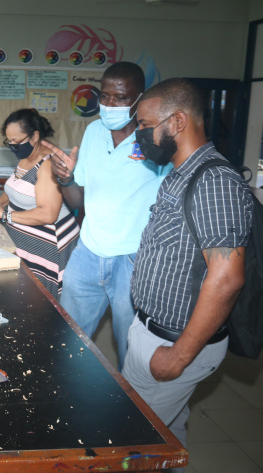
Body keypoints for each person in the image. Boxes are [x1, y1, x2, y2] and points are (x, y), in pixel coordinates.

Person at [124, 78, 253, 468]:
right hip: (149, 333)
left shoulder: (214, 183)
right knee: (169, 432)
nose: (140, 136)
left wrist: (179, 356)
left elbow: (227, 277)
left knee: (126, 440)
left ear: (177, 121)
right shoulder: (180, 174)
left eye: (145, 127)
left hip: (174, 345)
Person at [46, 62, 172, 370]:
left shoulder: (154, 138)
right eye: (104, 96)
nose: (109, 105)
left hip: (133, 260)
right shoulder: (93, 131)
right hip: (88, 253)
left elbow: (171, 204)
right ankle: (66, 400)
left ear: (139, 99)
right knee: (69, 337)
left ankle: (133, 413)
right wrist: (65, 179)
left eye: (120, 98)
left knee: (132, 348)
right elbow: (79, 199)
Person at [0, 109, 79, 299]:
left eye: (16, 141)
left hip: (47, 244)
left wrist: (4, 215)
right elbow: (14, 188)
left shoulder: (47, 164)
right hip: (25, 238)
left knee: (40, 302)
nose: (13, 146)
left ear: (35, 136)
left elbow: (48, 215)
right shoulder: (24, 157)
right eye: (9, 141)